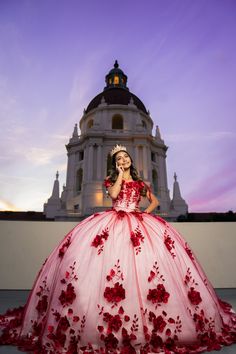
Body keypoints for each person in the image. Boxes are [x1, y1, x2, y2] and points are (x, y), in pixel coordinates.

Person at [0, 144, 236, 354]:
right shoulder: (113, 180)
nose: (123, 161)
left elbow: (153, 201)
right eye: (119, 159)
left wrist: (144, 214)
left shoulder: (141, 184)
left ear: (131, 159)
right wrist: (121, 177)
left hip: (136, 220)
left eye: (126, 158)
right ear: (115, 164)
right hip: (113, 221)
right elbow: (113, 195)